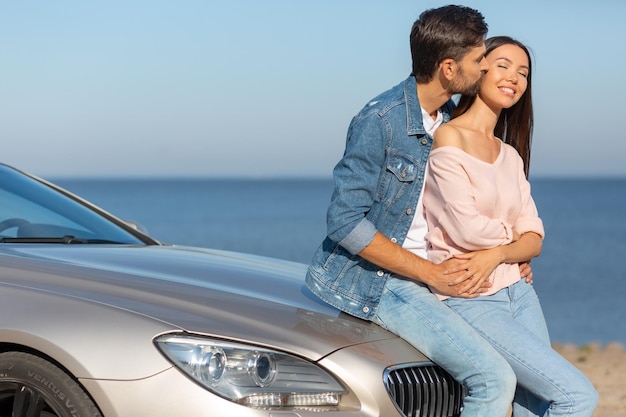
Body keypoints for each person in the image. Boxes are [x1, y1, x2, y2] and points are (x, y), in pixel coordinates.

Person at [306, 6, 524, 416]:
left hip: (436, 276)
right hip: (383, 282)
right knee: (493, 380)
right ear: (448, 68)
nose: (485, 69)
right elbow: (344, 222)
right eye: (479, 60)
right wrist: (429, 273)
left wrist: (509, 255)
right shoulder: (381, 120)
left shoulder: (444, 121)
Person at [423, 36, 598, 416]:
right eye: (503, 65)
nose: (514, 78)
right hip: (472, 294)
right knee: (576, 396)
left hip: (519, 291)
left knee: (535, 406)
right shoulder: (449, 137)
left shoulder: (511, 155)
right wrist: (514, 239)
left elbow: (535, 238)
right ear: (479, 69)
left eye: (523, 73)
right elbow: (467, 229)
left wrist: (504, 252)